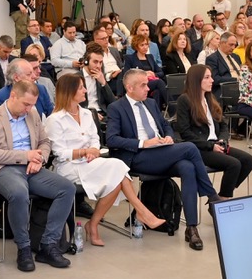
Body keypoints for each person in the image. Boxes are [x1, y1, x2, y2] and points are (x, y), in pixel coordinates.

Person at [106, 69, 220, 251]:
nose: (148, 89)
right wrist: (143, 143)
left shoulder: (150, 103)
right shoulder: (116, 107)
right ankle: (212, 196)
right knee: (190, 148)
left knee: (187, 167)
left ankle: (191, 228)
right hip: (139, 156)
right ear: (129, 87)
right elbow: (111, 139)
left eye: (147, 84)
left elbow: (166, 125)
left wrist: (168, 137)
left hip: (162, 152)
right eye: (143, 85)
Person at [48, 74, 165, 246]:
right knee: (117, 171)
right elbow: (59, 152)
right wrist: (84, 152)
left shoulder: (86, 113)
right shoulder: (55, 119)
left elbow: (95, 139)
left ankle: (95, 224)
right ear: (69, 91)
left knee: (117, 174)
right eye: (81, 88)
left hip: (90, 162)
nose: (85, 90)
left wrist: (94, 150)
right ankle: (140, 212)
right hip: (68, 166)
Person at [0, 81, 74, 270]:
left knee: (66, 188)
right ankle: (24, 248)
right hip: (2, 168)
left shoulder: (32, 113)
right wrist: (25, 156)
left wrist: (40, 159)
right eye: (26, 104)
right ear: (13, 96)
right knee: (19, 193)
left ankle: (48, 244)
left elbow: (45, 142)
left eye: (32, 105)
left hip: (31, 167)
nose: (28, 109)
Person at [174, 65, 252, 197]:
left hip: (216, 144)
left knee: (248, 160)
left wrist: (223, 139)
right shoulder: (185, 100)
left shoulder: (210, 99)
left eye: (211, 77)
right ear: (196, 80)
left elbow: (223, 124)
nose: (212, 80)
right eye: (207, 77)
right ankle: (223, 199)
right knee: (234, 164)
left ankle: (222, 195)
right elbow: (185, 132)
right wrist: (211, 146)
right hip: (200, 148)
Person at [125, 35, 171, 110]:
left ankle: (156, 113)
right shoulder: (130, 58)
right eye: (142, 45)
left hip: (152, 83)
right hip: (139, 84)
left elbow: (161, 72)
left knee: (157, 92)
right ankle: (172, 107)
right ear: (136, 46)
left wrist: (153, 74)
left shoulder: (150, 57)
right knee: (159, 82)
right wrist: (144, 74)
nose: (145, 47)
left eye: (146, 44)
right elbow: (127, 74)